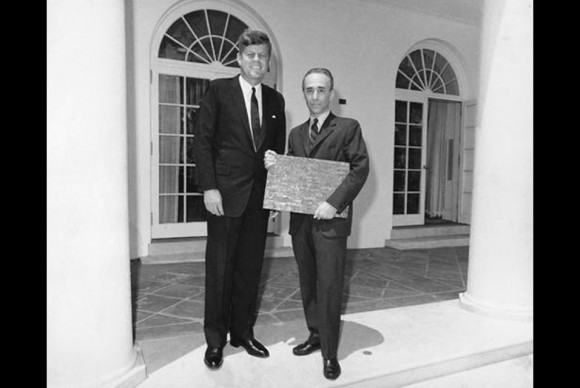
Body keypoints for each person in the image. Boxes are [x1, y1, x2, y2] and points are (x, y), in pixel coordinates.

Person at [264, 68, 369, 380]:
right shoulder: (296, 133)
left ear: (331, 93)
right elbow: (295, 173)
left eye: (321, 90)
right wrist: (276, 164)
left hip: (330, 224)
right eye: (309, 90)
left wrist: (333, 203)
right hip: (301, 225)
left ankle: (331, 353)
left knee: (330, 284)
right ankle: (315, 335)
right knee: (308, 282)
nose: (315, 96)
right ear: (304, 93)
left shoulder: (348, 128)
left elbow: (359, 169)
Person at [194, 29, 286, 370]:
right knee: (220, 270)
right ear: (240, 58)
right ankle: (215, 340)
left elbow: (277, 151)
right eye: (251, 55)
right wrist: (209, 187)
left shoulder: (276, 101)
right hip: (224, 196)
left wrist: (276, 193)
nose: (257, 61)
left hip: (259, 199)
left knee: (250, 269)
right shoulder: (219, 91)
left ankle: (243, 333)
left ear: (268, 61)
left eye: (263, 56)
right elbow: (202, 142)